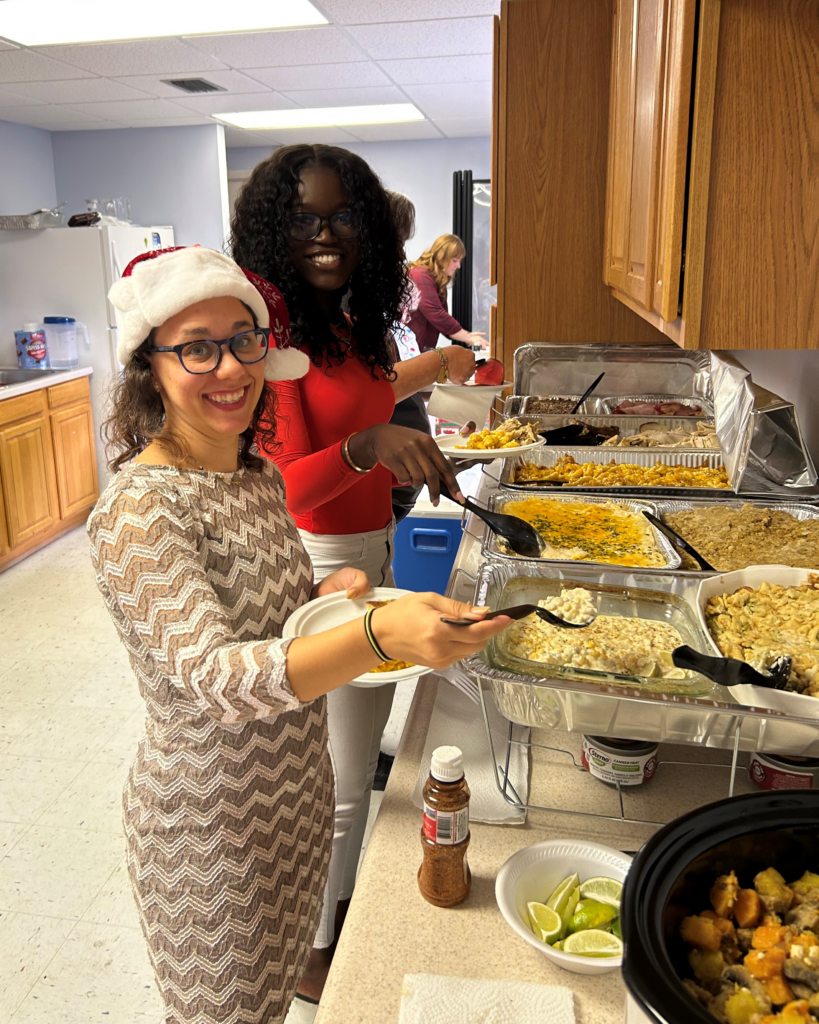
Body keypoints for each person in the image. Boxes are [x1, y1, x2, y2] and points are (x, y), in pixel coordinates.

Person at [88, 244, 509, 1024]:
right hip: (211, 828)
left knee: (276, 1002)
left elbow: (263, 620)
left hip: (295, 795)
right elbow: (213, 680)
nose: (229, 368)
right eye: (196, 349)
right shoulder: (141, 509)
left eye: (242, 341)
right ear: (150, 367)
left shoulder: (248, 475)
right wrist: (379, 636)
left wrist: (328, 594)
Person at [229, 144, 479, 1001]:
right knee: (332, 780)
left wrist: (437, 373)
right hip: (317, 561)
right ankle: (311, 947)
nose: (326, 235)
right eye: (303, 219)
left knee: (344, 755)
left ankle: (322, 908)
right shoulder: (276, 344)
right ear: (273, 231)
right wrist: (366, 448)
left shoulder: (344, 320)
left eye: (343, 217)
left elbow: (366, 395)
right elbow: (289, 483)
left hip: (368, 543)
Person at [408, 233, 487, 351]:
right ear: (441, 257)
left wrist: (466, 335)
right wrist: (468, 338)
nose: (458, 266)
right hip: (409, 350)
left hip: (418, 348)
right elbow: (437, 314)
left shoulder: (435, 279)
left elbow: (442, 319)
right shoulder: (420, 275)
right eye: (455, 260)